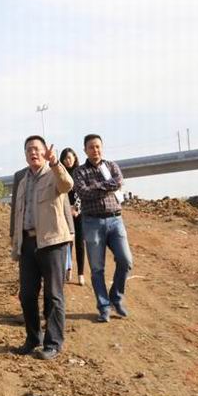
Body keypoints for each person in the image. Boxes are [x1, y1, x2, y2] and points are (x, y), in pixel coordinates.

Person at [10, 136, 74, 360]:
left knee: (54, 295)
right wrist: (16, 243)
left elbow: (67, 185)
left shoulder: (53, 174)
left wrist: (55, 163)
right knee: (27, 294)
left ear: (45, 152)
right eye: (29, 149)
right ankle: (32, 338)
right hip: (28, 244)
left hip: (52, 243)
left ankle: (53, 343)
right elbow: (18, 214)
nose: (33, 153)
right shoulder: (23, 181)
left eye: (37, 149)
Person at [72, 134, 133, 323]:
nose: (95, 150)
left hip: (115, 220)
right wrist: (106, 187)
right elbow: (83, 192)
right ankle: (104, 307)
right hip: (92, 223)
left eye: (98, 146)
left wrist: (96, 187)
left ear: (102, 147)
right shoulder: (80, 172)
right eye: (91, 147)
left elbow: (118, 182)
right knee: (97, 268)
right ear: (85, 150)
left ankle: (116, 297)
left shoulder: (111, 166)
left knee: (125, 260)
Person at [59, 147, 86, 286]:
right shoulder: (60, 173)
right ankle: (68, 269)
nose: (68, 161)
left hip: (79, 212)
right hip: (65, 212)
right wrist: (67, 209)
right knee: (67, 241)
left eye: (70, 157)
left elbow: (82, 192)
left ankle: (81, 273)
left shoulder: (80, 172)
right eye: (65, 158)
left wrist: (77, 208)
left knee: (80, 242)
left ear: (75, 158)